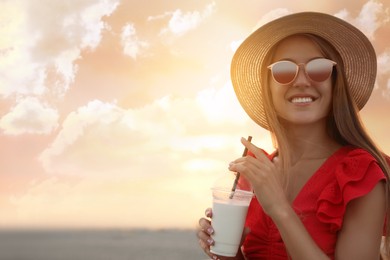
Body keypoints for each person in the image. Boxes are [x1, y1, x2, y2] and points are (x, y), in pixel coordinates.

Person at [197, 12, 390, 260]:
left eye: (318, 68)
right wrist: (229, 254)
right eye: (284, 70)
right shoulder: (254, 175)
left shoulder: (360, 175)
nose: (301, 81)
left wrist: (279, 208)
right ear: (268, 86)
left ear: (335, 83)